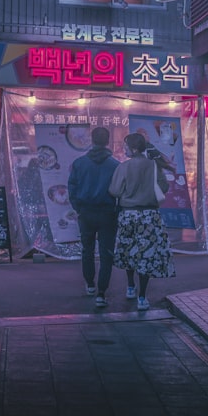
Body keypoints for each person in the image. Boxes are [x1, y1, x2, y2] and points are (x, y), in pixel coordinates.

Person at [108, 132, 176, 311]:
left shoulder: (123, 167)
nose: (124, 150)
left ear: (134, 148)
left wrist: (127, 193)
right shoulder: (154, 166)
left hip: (129, 215)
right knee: (146, 255)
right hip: (150, 216)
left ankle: (130, 286)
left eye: (125, 147)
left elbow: (114, 190)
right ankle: (142, 296)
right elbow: (164, 186)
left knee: (129, 251)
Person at [67, 127, 120, 307]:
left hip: (86, 213)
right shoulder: (115, 165)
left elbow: (72, 188)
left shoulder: (79, 163)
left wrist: (78, 207)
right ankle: (101, 293)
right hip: (108, 214)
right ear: (108, 141)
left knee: (87, 250)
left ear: (92, 139)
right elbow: (119, 192)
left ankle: (89, 284)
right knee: (106, 254)